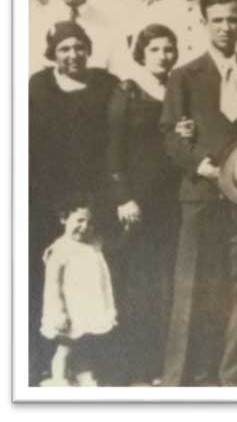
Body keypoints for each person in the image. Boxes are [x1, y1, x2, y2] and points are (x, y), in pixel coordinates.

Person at [160, 0, 237, 387]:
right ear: (205, 24)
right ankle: (179, 377)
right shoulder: (185, 75)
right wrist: (198, 164)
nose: (225, 27)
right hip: (200, 194)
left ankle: (230, 373)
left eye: (232, 19)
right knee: (192, 285)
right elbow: (169, 132)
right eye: (217, 19)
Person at [28, 21, 119, 385]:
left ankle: (88, 362)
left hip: (92, 201)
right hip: (47, 199)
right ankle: (43, 360)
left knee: (90, 281)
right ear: (53, 53)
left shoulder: (106, 84)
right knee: (50, 280)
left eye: (79, 47)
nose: (73, 54)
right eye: (64, 48)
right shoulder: (37, 86)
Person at [105, 24, 185, 385]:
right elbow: (112, 148)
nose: (163, 56)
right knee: (138, 284)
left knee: (166, 283)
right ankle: (133, 367)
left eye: (169, 49)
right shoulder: (128, 90)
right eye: (155, 49)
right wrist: (123, 197)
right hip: (138, 201)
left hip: (173, 200)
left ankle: (161, 367)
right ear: (142, 52)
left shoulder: (178, 89)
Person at [40, 198, 117, 386]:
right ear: (63, 219)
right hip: (69, 309)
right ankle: (59, 378)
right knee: (65, 347)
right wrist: (60, 312)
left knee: (84, 342)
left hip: (88, 306)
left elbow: (116, 248)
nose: (85, 227)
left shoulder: (94, 244)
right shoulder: (60, 249)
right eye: (80, 220)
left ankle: (83, 371)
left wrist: (128, 231)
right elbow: (53, 284)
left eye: (90, 223)